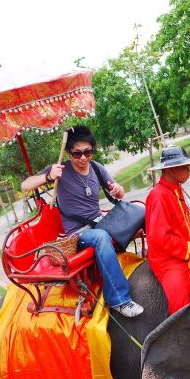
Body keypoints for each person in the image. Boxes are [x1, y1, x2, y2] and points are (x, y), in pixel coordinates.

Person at [21, 126, 144, 318]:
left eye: (88, 152)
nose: (83, 157)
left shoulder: (96, 168)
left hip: (101, 222)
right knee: (101, 237)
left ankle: (166, 254)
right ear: (68, 153)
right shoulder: (61, 170)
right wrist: (48, 176)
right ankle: (119, 300)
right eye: (77, 153)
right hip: (80, 233)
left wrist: (118, 190)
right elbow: (25, 185)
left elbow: (119, 192)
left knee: (141, 211)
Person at [145, 146, 190, 314]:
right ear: (172, 169)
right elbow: (161, 238)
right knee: (181, 307)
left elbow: (184, 221)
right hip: (168, 260)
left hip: (183, 249)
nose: (189, 171)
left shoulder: (176, 189)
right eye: (185, 167)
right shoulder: (158, 195)